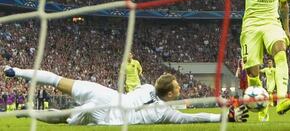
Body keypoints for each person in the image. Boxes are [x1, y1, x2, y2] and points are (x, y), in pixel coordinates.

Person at [194, 0, 290, 116]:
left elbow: (284, 5)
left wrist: (286, 29)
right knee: (252, 71)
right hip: (250, 26)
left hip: (272, 23)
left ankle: (281, 100)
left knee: (280, 50)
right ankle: (261, 107)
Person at [3, 66, 249, 125]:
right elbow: (197, 117)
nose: (180, 89)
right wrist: (224, 117)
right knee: (62, 119)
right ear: (171, 93)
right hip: (108, 116)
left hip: (105, 94)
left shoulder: (145, 87)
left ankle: (17, 71)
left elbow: (155, 88)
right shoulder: (166, 112)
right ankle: (27, 113)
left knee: (58, 80)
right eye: (177, 87)